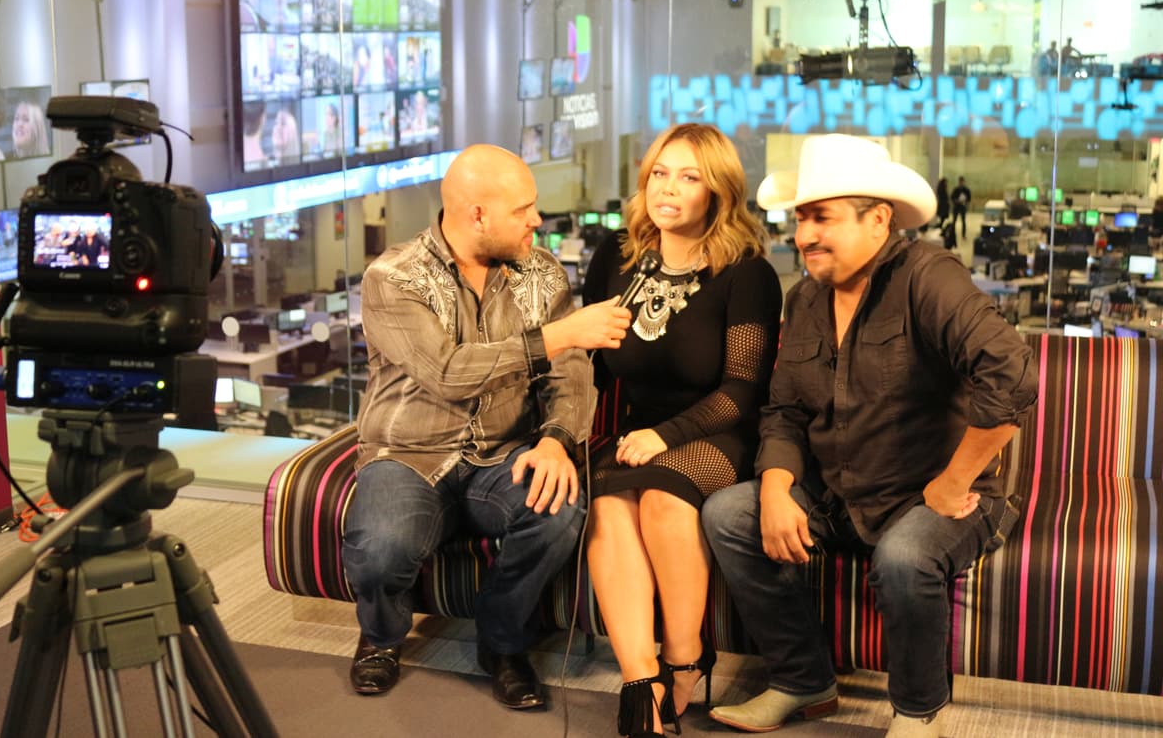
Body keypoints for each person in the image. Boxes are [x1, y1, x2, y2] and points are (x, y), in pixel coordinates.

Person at [701, 134, 1037, 737]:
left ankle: (918, 712)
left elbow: (1012, 375)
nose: (803, 235)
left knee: (906, 556)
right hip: (838, 497)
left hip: (936, 498)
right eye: (800, 218)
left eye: (821, 217)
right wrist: (776, 491)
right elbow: (783, 412)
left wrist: (954, 479)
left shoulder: (927, 277)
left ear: (879, 219)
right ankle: (803, 681)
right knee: (730, 513)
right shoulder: (804, 298)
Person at [341, 144, 633, 711]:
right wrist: (558, 336)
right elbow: (447, 373)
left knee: (558, 510)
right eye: (523, 209)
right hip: (408, 455)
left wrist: (555, 440)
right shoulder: (393, 277)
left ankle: (500, 643)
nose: (536, 220)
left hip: (503, 454)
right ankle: (380, 636)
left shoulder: (542, 273)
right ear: (477, 214)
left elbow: (570, 373)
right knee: (379, 549)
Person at [581, 124, 782, 737]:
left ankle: (686, 659)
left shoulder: (746, 274)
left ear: (717, 193)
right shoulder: (616, 258)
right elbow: (588, 363)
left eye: (690, 177)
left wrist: (666, 437)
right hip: (640, 432)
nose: (670, 188)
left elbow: (743, 389)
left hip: (720, 431)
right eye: (661, 173)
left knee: (665, 500)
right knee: (610, 505)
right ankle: (641, 683)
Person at [950, 175, 970, 239]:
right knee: (954, 221)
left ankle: (963, 235)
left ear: (964, 182)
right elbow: (952, 197)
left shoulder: (966, 190)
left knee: (963, 221)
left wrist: (965, 201)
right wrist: (956, 201)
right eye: (960, 182)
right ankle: (952, 234)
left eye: (962, 181)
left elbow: (969, 199)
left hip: (963, 207)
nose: (961, 183)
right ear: (959, 182)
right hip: (956, 207)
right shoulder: (956, 189)